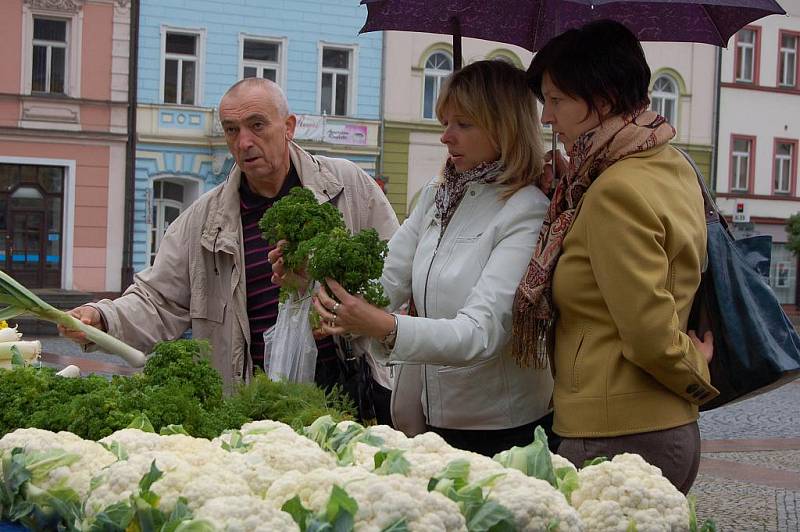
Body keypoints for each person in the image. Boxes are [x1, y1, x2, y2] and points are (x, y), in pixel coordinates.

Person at [60, 78, 399, 421]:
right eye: (232, 130)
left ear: (289, 127)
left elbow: (395, 277)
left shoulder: (348, 186)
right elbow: (157, 301)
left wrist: (327, 291)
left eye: (256, 125)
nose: (244, 142)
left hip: (352, 401)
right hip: (254, 408)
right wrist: (101, 318)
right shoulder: (202, 221)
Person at [296, 60, 554, 456]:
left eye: (463, 124)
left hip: (500, 432)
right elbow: (385, 282)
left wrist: (385, 326)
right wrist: (324, 290)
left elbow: (481, 333)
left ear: (505, 127)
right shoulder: (439, 195)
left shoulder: (525, 209)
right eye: (444, 122)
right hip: (427, 422)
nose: (446, 137)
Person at [515, 20, 717, 493]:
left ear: (602, 101)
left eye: (557, 101)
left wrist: (697, 370)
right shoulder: (664, 162)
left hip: (617, 435)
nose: (547, 119)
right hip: (648, 428)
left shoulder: (614, 191)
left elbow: (650, 334)